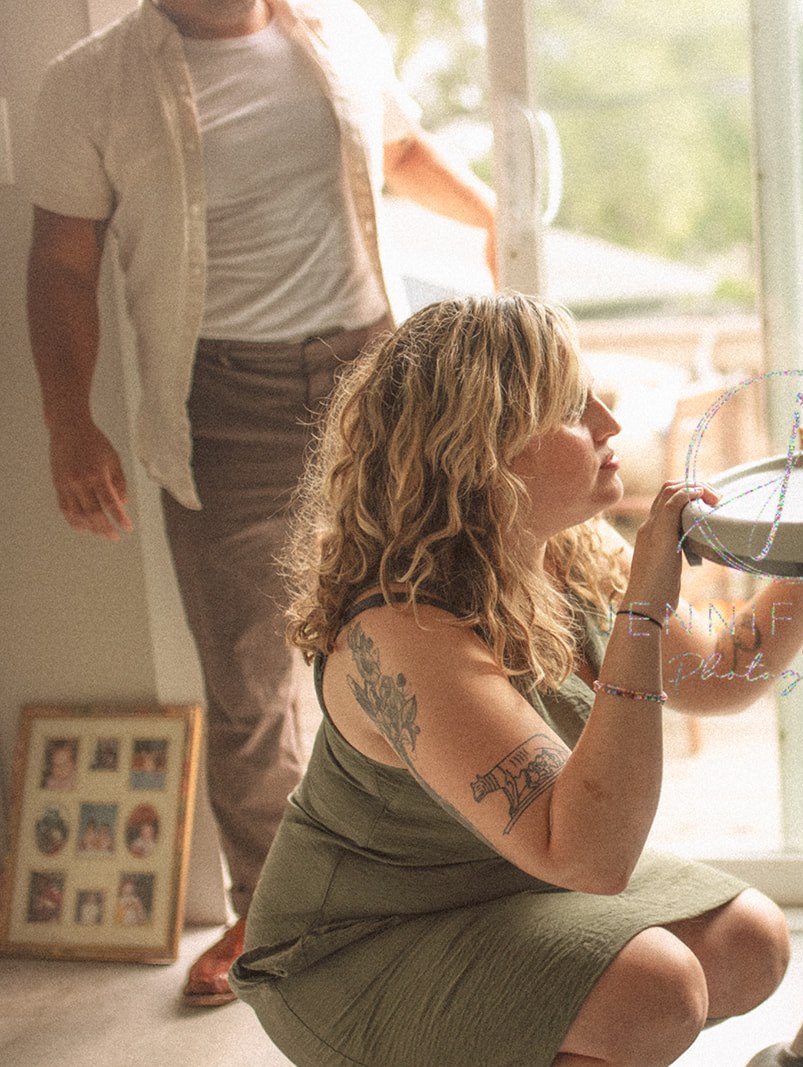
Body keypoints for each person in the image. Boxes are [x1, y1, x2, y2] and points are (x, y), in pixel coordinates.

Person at [25, 0, 496, 1004]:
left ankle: (452, 878)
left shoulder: (341, 29)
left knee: (429, 636)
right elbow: (62, 264)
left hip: (375, 376)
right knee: (247, 676)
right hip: (219, 395)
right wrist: (71, 422)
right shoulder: (90, 80)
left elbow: (401, 150)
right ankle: (273, 906)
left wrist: (494, 216)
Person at [228, 294, 803, 1067]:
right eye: (574, 409)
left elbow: (720, 672)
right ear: (485, 450)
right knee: (659, 989)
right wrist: (642, 613)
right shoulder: (400, 628)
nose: (611, 424)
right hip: (359, 943)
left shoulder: (561, 548)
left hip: (505, 882)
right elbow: (589, 856)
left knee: (751, 941)